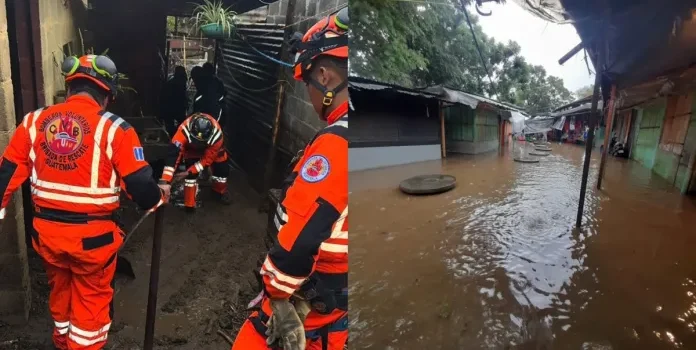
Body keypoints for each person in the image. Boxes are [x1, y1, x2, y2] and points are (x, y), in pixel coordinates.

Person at [0, 54, 166, 349]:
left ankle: (62, 341)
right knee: (90, 315)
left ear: (70, 88)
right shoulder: (117, 130)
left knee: (60, 295)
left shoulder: (33, 123)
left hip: (47, 238)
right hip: (93, 245)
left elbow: (6, 175)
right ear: (107, 95)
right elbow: (141, 189)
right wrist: (157, 197)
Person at [231, 7, 348, 350]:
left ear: (324, 76)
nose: (309, 96)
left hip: (310, 305)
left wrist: (278, 297)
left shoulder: (336, 145)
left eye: (308, 83)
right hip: (337, 310)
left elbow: (301, 238)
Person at [159, 112, 231, 212]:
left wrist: (188, 171)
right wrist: (165, 181)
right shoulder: (182, 131)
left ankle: (219, 192)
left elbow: (207, 159)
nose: (198, 144)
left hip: (213, 151)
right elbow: (173, 156)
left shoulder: (217, 137)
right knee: (190, 179)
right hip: (190, 150)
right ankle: (189, 205)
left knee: (222, 173)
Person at [160, 65, 188, 136]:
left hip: (170, 108)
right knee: (182, 125)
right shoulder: (182, 82)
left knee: (170, 126)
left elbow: (164, 97)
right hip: (177, 107)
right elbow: (183, 96)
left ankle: (172, 136)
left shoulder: (170, 83)